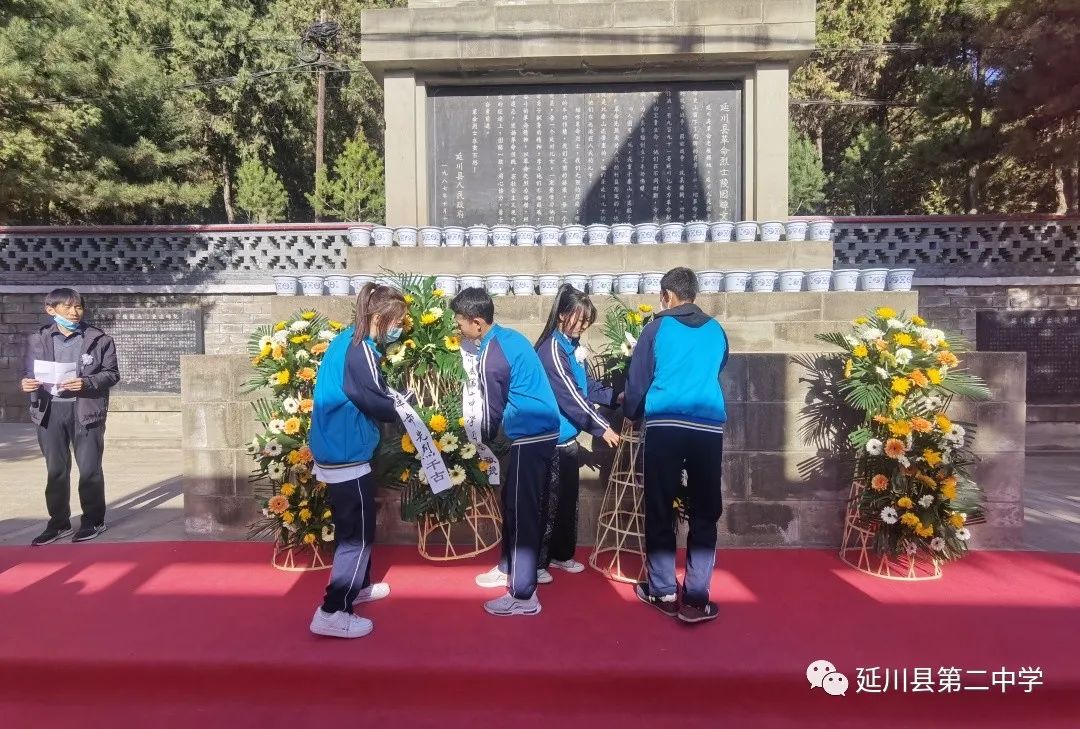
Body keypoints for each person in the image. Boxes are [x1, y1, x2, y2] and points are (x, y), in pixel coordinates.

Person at [623, 267, 729, 624]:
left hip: (666, 425)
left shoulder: (656, 328)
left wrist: (632, 411)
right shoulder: (717, 331)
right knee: (704, 511)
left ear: (667, 294)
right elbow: (717, 368)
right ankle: (697, 597)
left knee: (660, 505)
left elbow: (638, 382)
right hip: (707, 429)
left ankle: (663, 589)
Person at [451, 287, 560, 617]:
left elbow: (490, 412)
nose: (458, 329)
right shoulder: (507, 338)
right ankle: (507, 565)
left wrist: (474, 442)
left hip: (530, 435)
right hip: (535, 431)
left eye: (460, 322)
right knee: (513, 505)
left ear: (477, 322)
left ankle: (524, 595)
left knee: (522, 511)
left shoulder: (492, 355)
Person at [307, 283, 407, 639]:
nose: (400, 329)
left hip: (340, 450)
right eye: (397, 322)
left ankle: (359, 586)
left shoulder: (351, 343)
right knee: (357, 535)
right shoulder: (359, 349)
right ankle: (333, 609)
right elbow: (373, 398)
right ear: (379, 318)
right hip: (345, 454)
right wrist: (404, 409)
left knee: (355, 528)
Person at [534, 285, 620, 580]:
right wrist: (600, 426)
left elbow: (586, 386)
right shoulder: (552, 351)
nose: (583, 327)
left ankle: (561, 554)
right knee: (548, 504)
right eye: (579, 320)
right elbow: (570, 396)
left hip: (567, 440)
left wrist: (614, 397)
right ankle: (537, 562)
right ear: (561, 315)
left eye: (587, 322)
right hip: (550, 441)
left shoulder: (572, 348)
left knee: (567, 503)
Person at [22, 288, 120, 545]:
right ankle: (58, 523)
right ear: (51, 310)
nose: (74, 313)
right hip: (49, 411)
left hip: (85, 410)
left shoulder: (99, 339)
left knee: (89, 469)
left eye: (78, 307)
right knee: (56, 470)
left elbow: (112, 374)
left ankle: (93, 521)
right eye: (67, 308)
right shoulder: (37, 339)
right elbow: (30, 373)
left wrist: (86, 382)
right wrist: (27, 384)